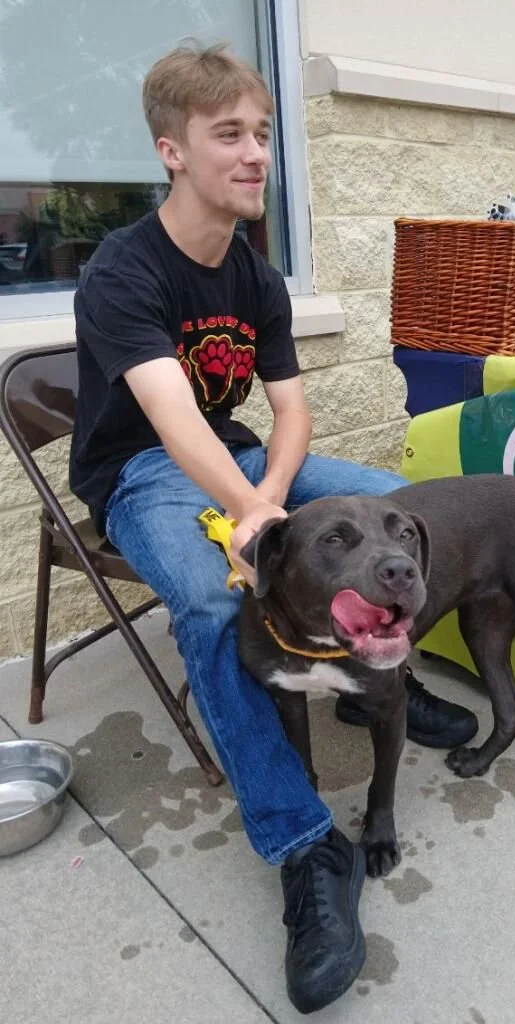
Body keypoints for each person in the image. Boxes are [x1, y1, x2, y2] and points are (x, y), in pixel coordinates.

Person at [69, 41, 477, 1015]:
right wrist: (257, 516)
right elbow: (171, 419)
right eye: (229, 135)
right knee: (216, 602)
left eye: (261, 133)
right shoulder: (123, 270)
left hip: (247, 459)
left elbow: (289, 411)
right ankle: (306, 847)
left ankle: (375, 676)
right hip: (142, 473)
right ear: (171, 151)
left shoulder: (254, 275)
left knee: (402, 505)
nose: (256, 154)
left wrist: (273, 495)